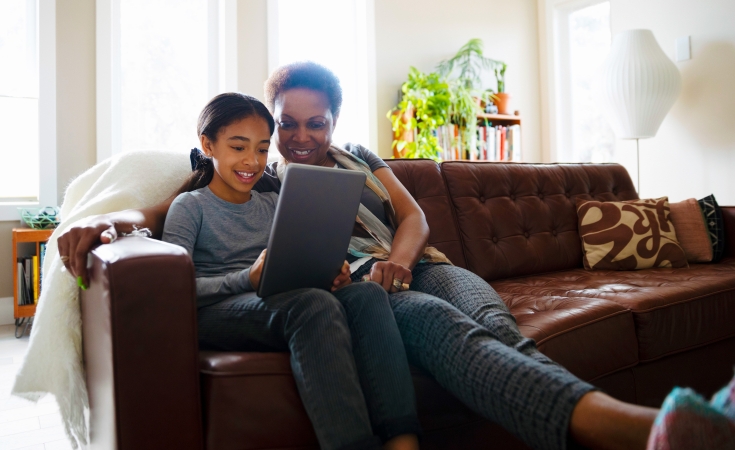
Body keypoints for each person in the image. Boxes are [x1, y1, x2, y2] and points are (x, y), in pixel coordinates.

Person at [58, 64, 735, 450]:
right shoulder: (251, 173)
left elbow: (411, 217)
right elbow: (160, 206)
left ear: (333, 121)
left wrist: (405, 262)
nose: (295, 138)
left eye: (312, 122)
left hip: (423, 265)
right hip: (365, 286)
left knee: (494, 325)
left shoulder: (359, 158)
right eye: (282, 124)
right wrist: (104, 218)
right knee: (450, 334)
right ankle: (636, 429)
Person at [159, 92, 420, 450]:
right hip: (215, 310)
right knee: (313, 305)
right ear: (208, 145)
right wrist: (246, 279)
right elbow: (173, 291)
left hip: (270, 299)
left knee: (367, 294)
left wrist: (330, 272)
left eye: (262, 149)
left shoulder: (272, 201)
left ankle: (403, 440)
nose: (252, 161)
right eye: (238, 147)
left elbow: (293, 261)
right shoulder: (190, 207)